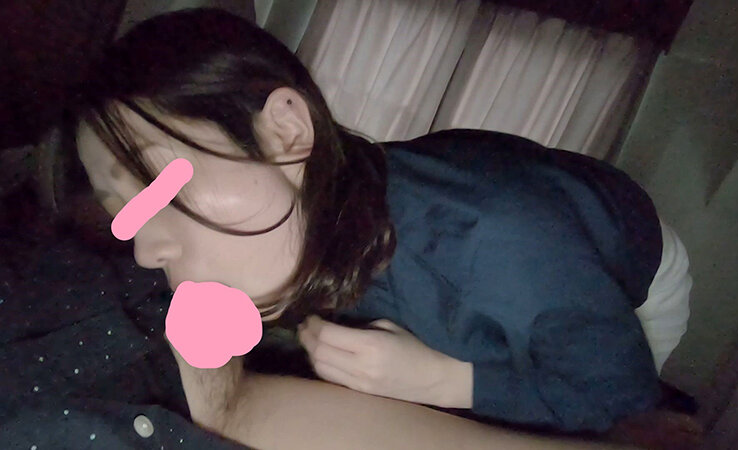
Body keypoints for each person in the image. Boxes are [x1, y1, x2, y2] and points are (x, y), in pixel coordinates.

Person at [73, 7, 680, 448]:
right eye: (122, 209)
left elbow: (622, 403)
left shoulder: (499, 244)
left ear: (286, 132)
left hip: (630, 264)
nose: (146, 250)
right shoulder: (292, 219)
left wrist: (447, 381)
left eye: (158, 185)